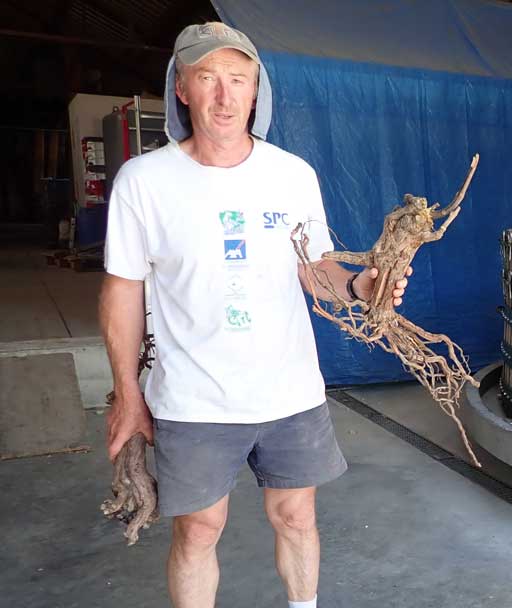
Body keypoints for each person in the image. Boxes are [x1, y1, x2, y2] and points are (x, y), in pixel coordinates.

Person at [99, 22, 408, 608]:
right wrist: (126, 394)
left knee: (296, 517)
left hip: (289, 393)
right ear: (182, 87)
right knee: (198, 529)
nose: (224, 95)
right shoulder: (145, 181)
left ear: (256, 89)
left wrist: (365, 285)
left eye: (238, 79)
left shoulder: (292, 175)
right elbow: (122, 292)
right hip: (193, 398)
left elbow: (317, 271)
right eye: (207, 77)